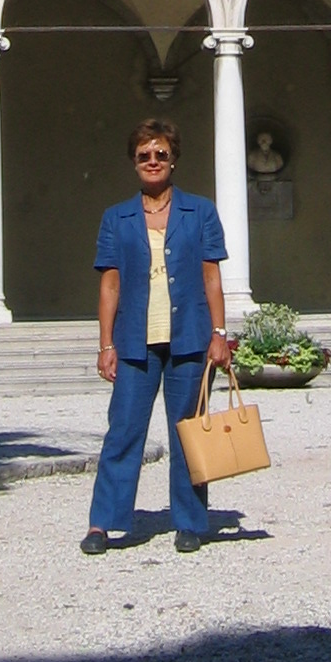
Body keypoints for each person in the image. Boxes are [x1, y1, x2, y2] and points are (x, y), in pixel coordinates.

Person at [83, 119, 233, 555]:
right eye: (144, 155)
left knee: (188, 432)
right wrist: (106, 344)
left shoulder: (200, 211)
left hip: (190, 339)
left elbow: (211, 277)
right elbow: (110, 284)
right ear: (134, 163)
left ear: (173, 159)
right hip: (134, 342)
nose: (153, 161)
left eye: (160, 154)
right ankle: (102, 523)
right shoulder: (116, 217)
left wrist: (219, 333)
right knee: (123, 430)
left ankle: (189, 521)